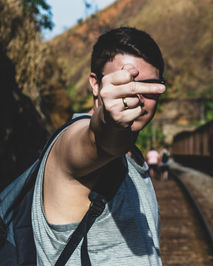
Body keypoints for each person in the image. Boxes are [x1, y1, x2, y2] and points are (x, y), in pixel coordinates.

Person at [31, 27, 166, 265]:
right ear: (95, 84)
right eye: (127, 83)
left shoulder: (133, 156)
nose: (136, 96)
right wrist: (111, 124)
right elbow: (100, 140)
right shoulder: (70, 144)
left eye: (149, 86)